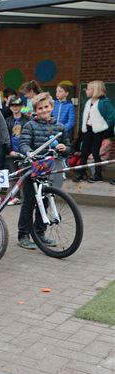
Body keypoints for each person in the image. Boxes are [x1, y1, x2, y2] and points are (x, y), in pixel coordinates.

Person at [17, 92, 71, 250]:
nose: (43, 110)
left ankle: (40, 233)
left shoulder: (59, 127)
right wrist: (29, 153)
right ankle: (24, 235)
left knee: (46, 200)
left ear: (52, 107)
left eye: (46, 107)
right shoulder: (30, 125)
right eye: (40, 108)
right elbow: (24, 143)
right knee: (29, 202)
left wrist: (64, 148)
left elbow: (69, 148)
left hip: (50, 168)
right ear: (35, 110)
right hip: (32, 168)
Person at [74, 80, 115, 182]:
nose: (86, 91)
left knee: (95, 151)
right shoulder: (88, 102)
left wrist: (105, 129)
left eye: (88, 89)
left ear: (95, 90)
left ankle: (98, 175)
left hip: (98, 130)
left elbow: (111, 117)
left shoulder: (105, 103)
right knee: (84, 151)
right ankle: (82, 173)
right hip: (88, 130)